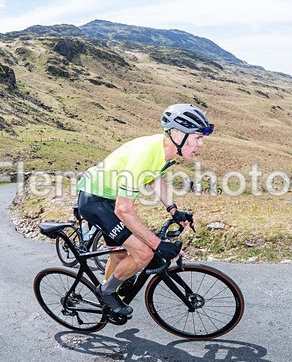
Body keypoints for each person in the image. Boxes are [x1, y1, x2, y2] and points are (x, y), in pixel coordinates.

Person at [75, 103, 213, 316]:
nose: (201, 144)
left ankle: (111, 289)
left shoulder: (163, 151)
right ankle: (107, 291)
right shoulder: (145, 153)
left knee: (121, 253)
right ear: (177, 134)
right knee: (144, 252)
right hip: (95, 201)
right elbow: (123, 209)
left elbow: (155, 178)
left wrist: (173, 210)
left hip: (109, 200)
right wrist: (159, 245)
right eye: (197, 137)